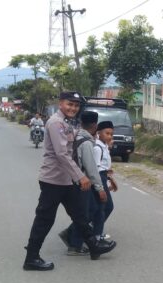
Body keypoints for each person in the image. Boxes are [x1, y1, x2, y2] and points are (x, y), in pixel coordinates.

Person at [22, 91, 110, 271]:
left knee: (80, 215)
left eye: (76, 105)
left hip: (67, 181)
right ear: (61, 103)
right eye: (70, 104)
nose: (73, 108)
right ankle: (31, 257)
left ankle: (93, 245)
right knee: (44, 219)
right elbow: (62, 154)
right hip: (53, 180)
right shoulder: (55, 123)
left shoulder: (69, 123)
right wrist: (81, 176)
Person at [59, 110, 116, 259]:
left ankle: (80, 238)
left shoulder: (77, 136)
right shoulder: (87, 143)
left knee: (91, 210)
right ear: (95, 126)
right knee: (90, 211)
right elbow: (92, 169)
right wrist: (100, 188)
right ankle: (77, 244)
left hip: (74, 180)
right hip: (84, 181)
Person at [92, 120, 117, 241]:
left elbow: (105, 166)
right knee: (104, 207)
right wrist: (100, 187)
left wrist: (110, 179)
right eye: (107, 133)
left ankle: (95, 230)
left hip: (103, 177)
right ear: (98, 133)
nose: (109, 136)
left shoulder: (105, 146)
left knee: (103, 207)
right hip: (99, 178)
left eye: (111, 134)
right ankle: (96, 234)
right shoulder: (97, 148)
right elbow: (95, 169)